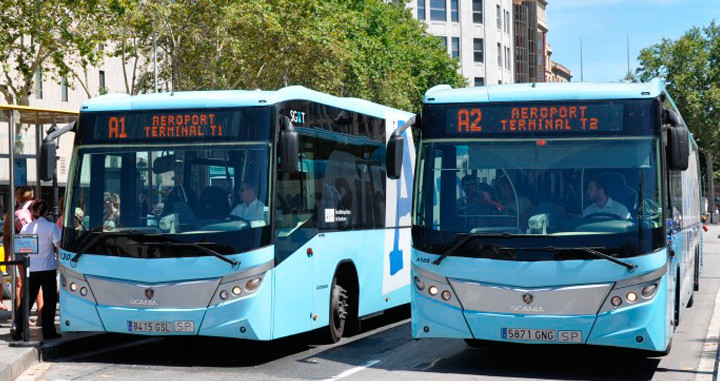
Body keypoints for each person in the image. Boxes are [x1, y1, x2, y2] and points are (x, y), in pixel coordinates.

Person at [10, 199, 61, 341]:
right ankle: (49, 331)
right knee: (50, 300)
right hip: (48, 268)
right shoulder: (51, 227)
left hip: (31, 269)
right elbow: (59, 244)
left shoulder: (26, 228)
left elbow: (22, 247)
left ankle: (17, 326)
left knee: (28, 299)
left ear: (33, 212)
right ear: (47, 212)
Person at [2, 186, 36, 313]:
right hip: (34, 249)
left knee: (21, 283)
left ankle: (21, 315)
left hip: (20, 249)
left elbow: (6, 236)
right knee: (31, 282)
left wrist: (7, 256)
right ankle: (37, 314)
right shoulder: (34, 209)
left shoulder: (14, 212)